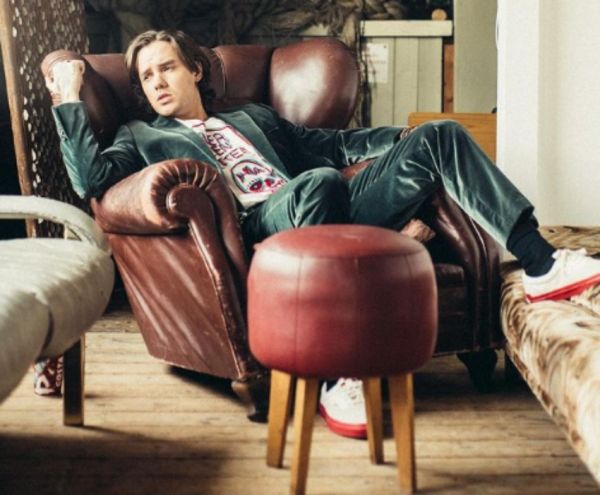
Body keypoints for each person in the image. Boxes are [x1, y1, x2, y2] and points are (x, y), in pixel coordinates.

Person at [47, 30, 600, 439]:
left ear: (194, 70)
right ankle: (338, 377)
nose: (157, 82)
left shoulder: (253, 117)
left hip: (326, 202)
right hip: (261, 227)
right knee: (317, 184)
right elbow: (91, 181)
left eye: (167, 68)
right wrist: (69, 99)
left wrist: (405, 139)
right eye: (146, 76)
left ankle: (541, 262)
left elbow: (333, 146)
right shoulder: (140, 134)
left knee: (441, 134)